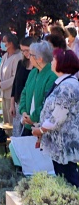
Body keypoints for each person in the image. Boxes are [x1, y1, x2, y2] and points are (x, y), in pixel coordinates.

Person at [31, 48, 79, 187]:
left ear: (62, 64)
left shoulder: (68, 86)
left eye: (54, 60)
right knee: (64, 177)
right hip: (58, 144)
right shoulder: (63, 83)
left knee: (69, 179)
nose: (51, 62)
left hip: (65, 144)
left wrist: (40, 130)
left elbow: (58, 117)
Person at [19, 40, 57, 136]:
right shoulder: (33, 72)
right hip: (28, 124)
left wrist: (33, 117)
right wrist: (23, 111)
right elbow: (24, 92)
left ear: (39, 58)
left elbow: (47, 102)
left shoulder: (52, 75)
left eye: (31, 54)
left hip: (42, 127)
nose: (28, 56)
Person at [10, 37, 35, 136]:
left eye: (27, 50)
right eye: (23, 50)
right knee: (17, 132)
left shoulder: (37, 66)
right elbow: (15, 84)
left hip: (30, 104)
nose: (25, 53)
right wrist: (12, 104)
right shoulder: (21, 63)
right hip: (18, 102)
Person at [0, 34, 22, 124]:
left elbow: (15, 77)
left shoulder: (18, 57)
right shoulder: (5, 56)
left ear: (11, 43)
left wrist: (2, 84)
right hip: (3, 94)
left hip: (11, 94)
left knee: (12, 122)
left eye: (4, 41)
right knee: (5, 121)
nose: (2, 44)